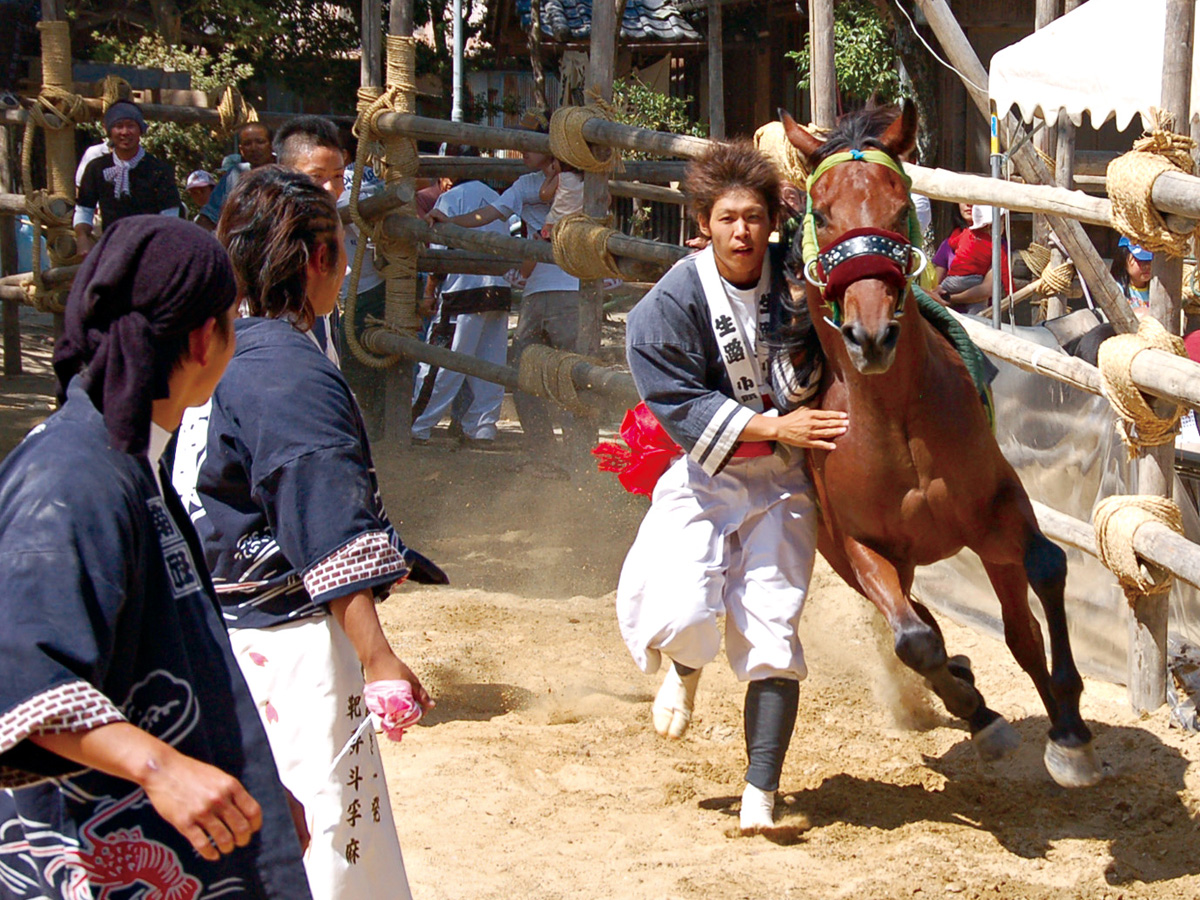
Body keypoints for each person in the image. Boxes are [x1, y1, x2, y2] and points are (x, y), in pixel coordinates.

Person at [0, 215, 312, 898]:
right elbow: (24, 675)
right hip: (90, 850)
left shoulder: (130, 462)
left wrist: (246, 774)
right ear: (205, 337)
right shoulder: (71, 479)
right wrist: (162, 770)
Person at [172, 166, 445, 899]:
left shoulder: (221, 348)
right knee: (328, 846)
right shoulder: (288, 370)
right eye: (341, 249)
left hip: (218, 636)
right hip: (288, 652)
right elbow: (323, 526)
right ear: (320, 261)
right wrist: (378, 656)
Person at [616, 141, 847, 837]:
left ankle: (760, 797)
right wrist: (777, 423)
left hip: (782, 482)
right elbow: (675, 397)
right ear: (704, 224)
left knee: (774, 629)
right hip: (708, 473)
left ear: (772, 223)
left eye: (754, 217)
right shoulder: (672, 301)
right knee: (687, 608)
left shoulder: (797, 277)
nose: (742, 230)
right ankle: (684, 666)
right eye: (728, 218)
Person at [425, 110, 592, 464]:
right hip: (535, 292)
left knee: (570, 374)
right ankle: (542, 452)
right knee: (526, 375)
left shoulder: (580, 180)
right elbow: (488, 215)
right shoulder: (524, 185)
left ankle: (579, 455)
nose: (524, 149)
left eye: (531, 141)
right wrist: (450, 221)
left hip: (570, 290)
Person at [412, 176, 513, 446]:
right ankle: (483, 427)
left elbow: (440, 253)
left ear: (447, 179)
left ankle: (418, 424)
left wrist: (429, 290)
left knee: (443, 361)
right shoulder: (496, 197)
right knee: (490, 362)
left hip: (462, 290)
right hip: (498, 288)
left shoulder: (450, 199)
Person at [74, 100, 180, 256]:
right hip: (111, 248)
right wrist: (82, 237)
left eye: (130, 125)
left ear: (140, 130)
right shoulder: (97, 168)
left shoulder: (159, 170)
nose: (124, 132)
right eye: (118, 126)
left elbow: (170, 216)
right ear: (110, 131)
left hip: (150, 249)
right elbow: (84, 208)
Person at [197, 121, 274, 231]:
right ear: (241, 150)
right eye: (247, 144)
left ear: (271, 145)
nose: (253, 148)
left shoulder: (287, 173)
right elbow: (209, 217)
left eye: (260, 142)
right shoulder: (234, 176)